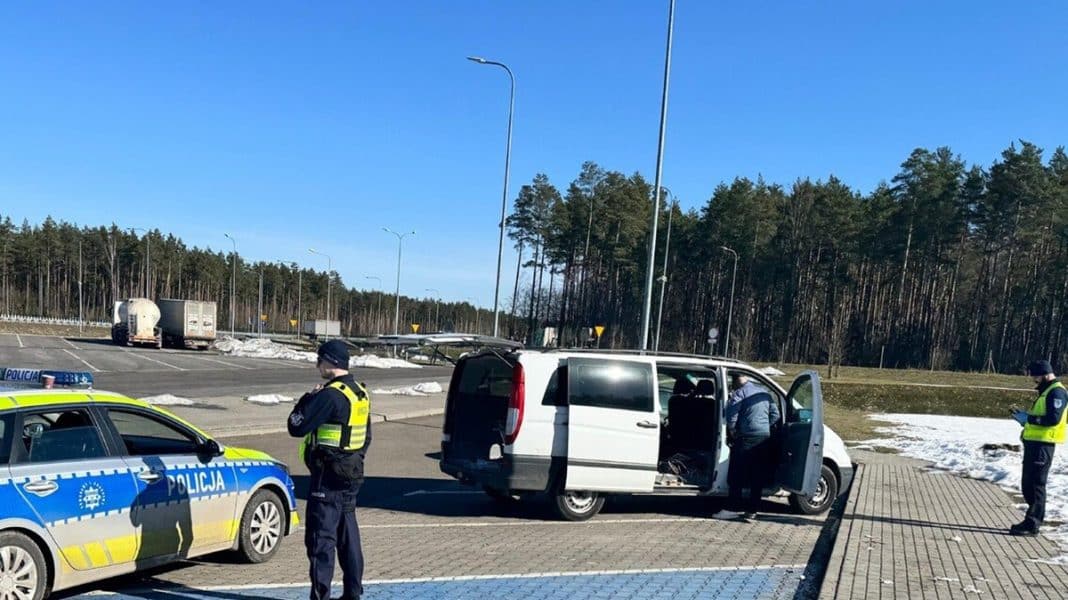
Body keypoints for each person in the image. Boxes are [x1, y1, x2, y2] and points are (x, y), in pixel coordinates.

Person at [288, 340, 372, 600]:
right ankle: (353, 594)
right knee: (349, 539)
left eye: (319, 360)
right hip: (351, 472)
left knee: (321, 540)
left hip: (328, 477)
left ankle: (320, 596)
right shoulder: (359, 393)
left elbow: (296, 426)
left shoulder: (330, 396)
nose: (317, 365)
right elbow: (366, 436)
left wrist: (307, 399)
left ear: (331, 362)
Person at [1009, 360, 1067, 536]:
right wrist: (1025, 420)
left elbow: (1053, 419)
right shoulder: (1047, 391)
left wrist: (1030, 419)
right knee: (1028, 483)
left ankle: (1033, 523)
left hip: (1043, 445)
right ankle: (1030, 519)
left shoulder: (1056, 392)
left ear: (1044, 374)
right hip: (1034, 443)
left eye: (1035, 376)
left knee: (1036, 484)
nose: (1034, 379)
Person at [724, 372, 781, 520]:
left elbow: (731, 416)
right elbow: (775, 415)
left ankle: (732, 508)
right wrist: (764, 427)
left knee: (737, 473)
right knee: (757, 475)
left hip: (746, 437)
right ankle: (752, 510)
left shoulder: (740, 393)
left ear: (736, 381)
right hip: (763, 438)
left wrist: (733, 431)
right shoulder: (765, 393)